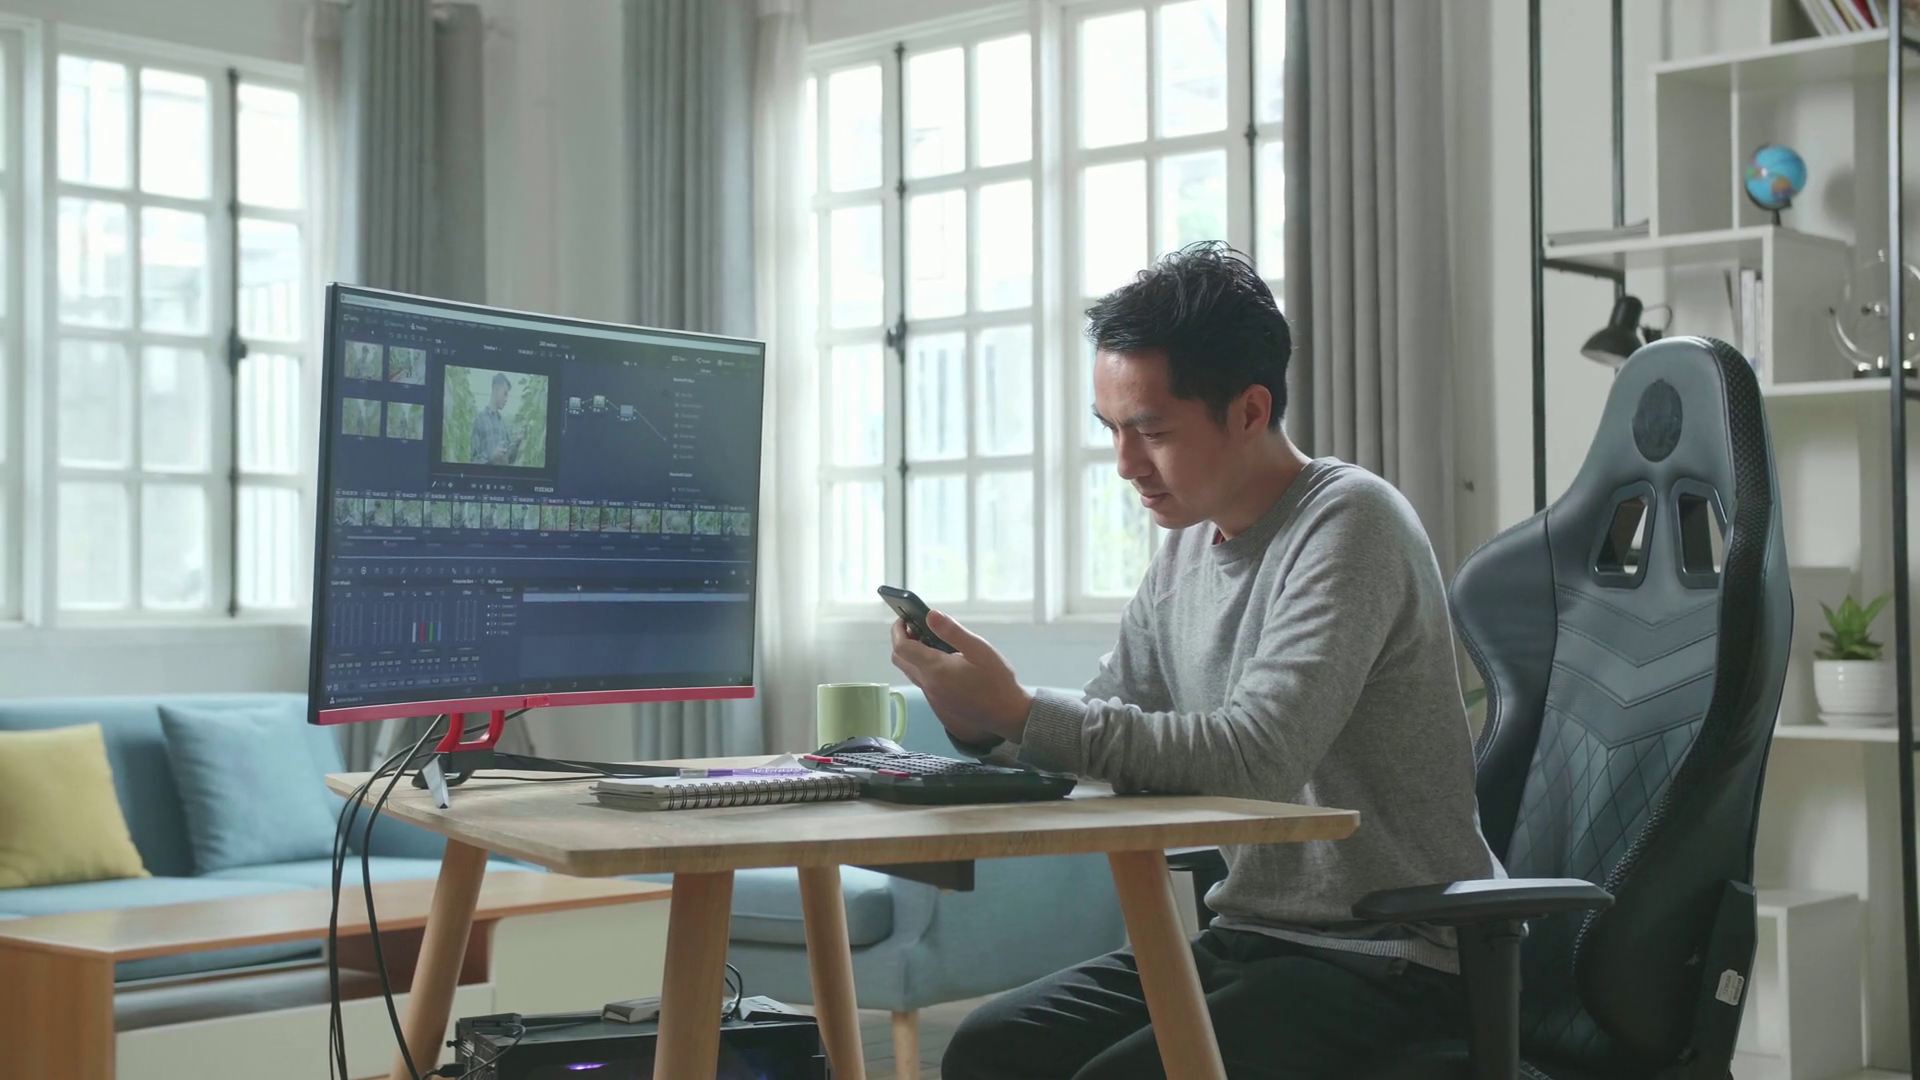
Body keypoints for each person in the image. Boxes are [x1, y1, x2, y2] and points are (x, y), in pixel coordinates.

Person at [889, 242, 1497, 1080]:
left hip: (1390, 958)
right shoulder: (1184, 548)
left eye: (1152, 432)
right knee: (993, 1053)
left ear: (1249, 411)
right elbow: (1107, 727)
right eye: (1111, 431)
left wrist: (1022, 710)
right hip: (1251, 938)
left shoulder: (1352, 523)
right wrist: (981, 721)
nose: (1125, 465)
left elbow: (1257, 759)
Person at [469, 372, 519, 465]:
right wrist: (491, 459)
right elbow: (473, 459)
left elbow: (509, 459)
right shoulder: (480, 419)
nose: (506, 399)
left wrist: (516, 445)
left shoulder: (502, 423)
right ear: (496, 390)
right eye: (505, 394)